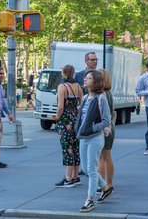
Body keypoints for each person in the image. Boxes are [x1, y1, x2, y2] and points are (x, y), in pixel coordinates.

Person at [76, 70, 112, 212]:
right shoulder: (85, 98)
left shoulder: (101, 98)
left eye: (89, 78)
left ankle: (89, 200)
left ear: (95, 82)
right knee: (85, 169)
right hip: (83, 136)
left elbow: (106, 120)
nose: (85, 80)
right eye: (85, 78)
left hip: (95, 138)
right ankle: (105, 188)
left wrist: (93, 127)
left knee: (91, 170)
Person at [54, 65, 83, 188]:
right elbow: (81, 104)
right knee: (76, 148)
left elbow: (60, 106)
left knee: (67, 148)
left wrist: (57, 117)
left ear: (64, 73)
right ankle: (76, 177)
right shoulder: (78, 87)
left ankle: (68, 178)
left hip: (65, 120)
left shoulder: (62, 87)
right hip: (76, 119)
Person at [98, 69, 116, 195]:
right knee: (107, 156)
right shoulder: (109, 93)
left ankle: (104, 184)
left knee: (101, 157)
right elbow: (113, 111)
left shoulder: (102, 94)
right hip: (110, 127)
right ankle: (109, 183)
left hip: (104, 128)